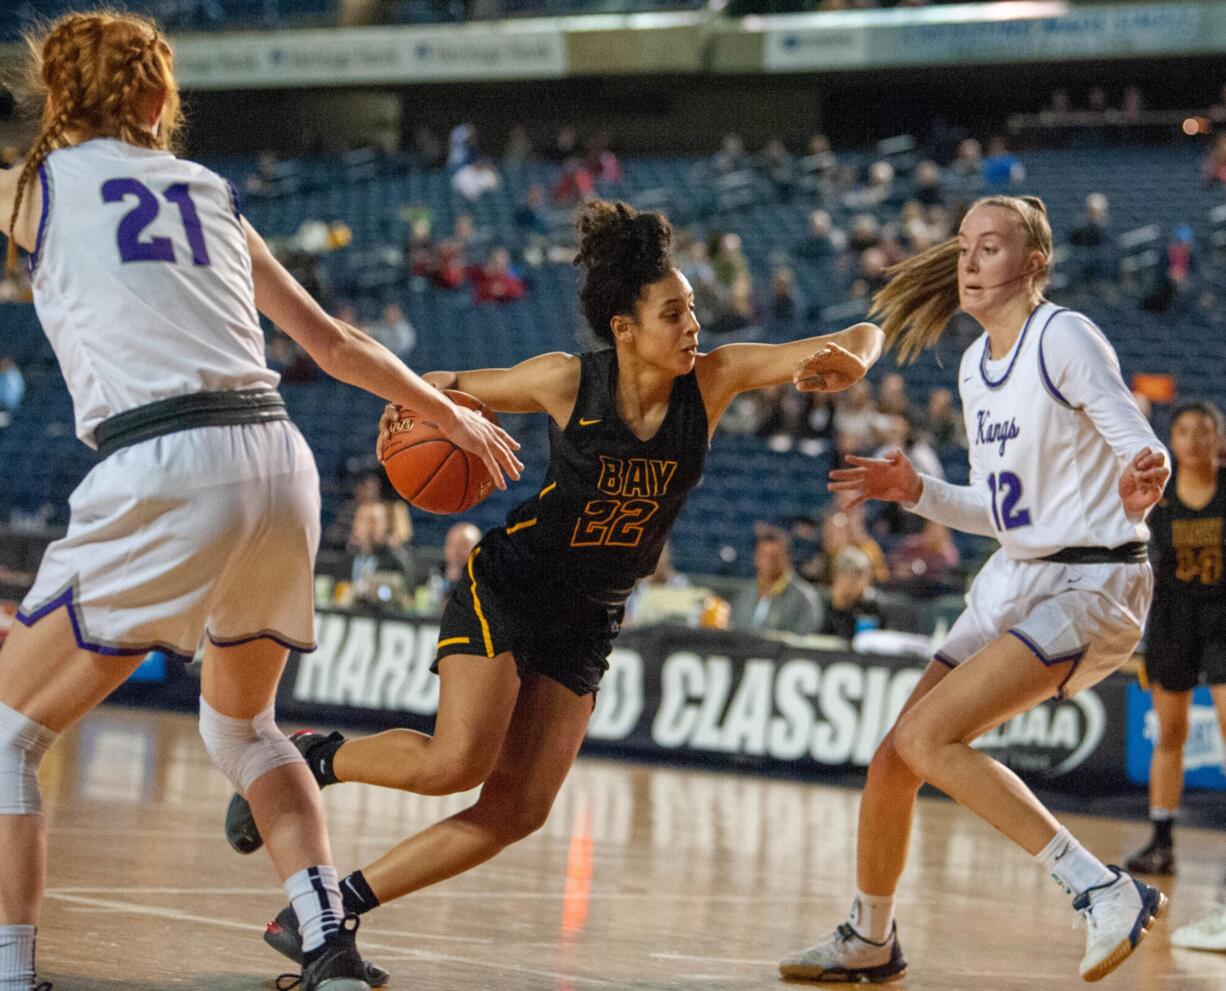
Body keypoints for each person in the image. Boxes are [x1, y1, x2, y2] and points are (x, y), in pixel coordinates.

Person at [221, 198, 885, 980]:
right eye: (674, 312)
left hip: (592, 615)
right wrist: (412, 418)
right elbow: (443, 383)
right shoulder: (567, 382)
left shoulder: (714, 380)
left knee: (518, 810)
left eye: (694, 308)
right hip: (513, 583)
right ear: (624, 328)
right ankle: (317, 757)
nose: (693, 323)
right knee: (455, 762)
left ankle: (335, 903)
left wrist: (857, 358)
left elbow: (858, 332)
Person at [0, 12, 521, 991]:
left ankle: (11, 973)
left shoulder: (36, 184)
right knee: (244, 726)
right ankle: (326, 937)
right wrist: (443, 412)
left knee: (6, 736)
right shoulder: (208, 192)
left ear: (58, 97)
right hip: (277, 461)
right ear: (160, 100)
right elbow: (329, 344)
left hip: (163, 458)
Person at [779, 194, 1171, 984]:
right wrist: (915, 488)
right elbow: (1000, 511)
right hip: (1018, 572)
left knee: (929, 739)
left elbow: (1138, 442)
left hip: (1093, 576)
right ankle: (870, 936)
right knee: (895, 756)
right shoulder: (973, 367)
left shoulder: (1063, 336)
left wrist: (1143, 478)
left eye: (989, 248)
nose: (968, 262)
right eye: (962, 247)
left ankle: (1100, 888)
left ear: (1034, 265)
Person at [1125, 401, 1226, 876]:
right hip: (1173, 619)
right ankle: (1161, 843)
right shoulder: (1158, 500)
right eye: (1184, 430)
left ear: (1218, 439)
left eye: (1203, 431)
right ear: (1173, 440)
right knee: (1170, 733)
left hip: (1223, 619)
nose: (1193, 439)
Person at [729, 524, 823, 637]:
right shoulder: (745, 593)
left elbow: (805, 640)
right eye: (764, 555)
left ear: (787, 558)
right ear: (756, 558)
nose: (769, 562)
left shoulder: (804, 598)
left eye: (775, 556)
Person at [819, 547, 884, 641]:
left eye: (866, 579)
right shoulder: (819, 604)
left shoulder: (869, 606)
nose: (864, 585)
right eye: (855, 578)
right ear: (839, 577)